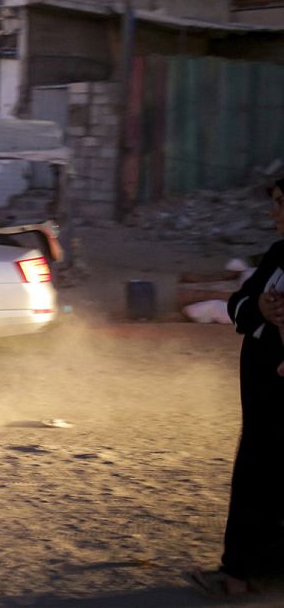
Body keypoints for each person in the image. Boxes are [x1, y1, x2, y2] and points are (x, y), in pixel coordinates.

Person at [189, 180, 284, 598]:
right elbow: (237, 304)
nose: (273, 213)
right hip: (262, 401)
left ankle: (242, 577)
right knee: (256, 477)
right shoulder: (279, 254)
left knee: (264, 481)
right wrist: (260, 308)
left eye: (281, 204)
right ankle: (247, 573)